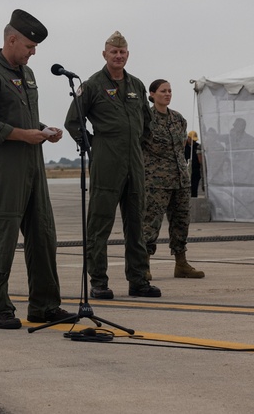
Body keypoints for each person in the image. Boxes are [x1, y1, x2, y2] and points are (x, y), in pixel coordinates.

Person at [0, 9, 67, 330]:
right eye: (29, 46)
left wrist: (43, 130)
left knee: (43, 235)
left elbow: (23, 118)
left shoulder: (27, 74)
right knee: (3, 237)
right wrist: (25, 135)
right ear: (11, 40)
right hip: (5, 167)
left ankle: (45, 305)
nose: (33, 52)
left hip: (33, 165)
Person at [64, 31, 160, 300]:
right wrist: (95, 145)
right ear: (104, 54)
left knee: (136, 224)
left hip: (134, 164)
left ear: (127, 55)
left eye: (123, 52)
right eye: (114, 52)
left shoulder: (137, 85)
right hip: (106, 163)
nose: (118, 56)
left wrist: (138, 145)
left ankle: (139, 280)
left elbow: (146, 122)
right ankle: (98, 281)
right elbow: (73, 121)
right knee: (99, 224)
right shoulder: (92, 85)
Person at [143, 79, 204, 278]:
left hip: (180, 179)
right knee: (150, 224)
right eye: (163, 91)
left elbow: (180, 150)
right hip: (155, 181)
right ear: (152, 94)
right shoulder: (145, 119)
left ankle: (181, 263)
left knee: (181, 222)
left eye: (170, 91)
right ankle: (143, 265)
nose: (167, 94)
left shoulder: (178, 119)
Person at [185, 130, 203, 198]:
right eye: (192, 140)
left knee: (194, 189)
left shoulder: (197, 146)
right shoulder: (183, 146)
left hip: (195, 171)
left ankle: (194, 200)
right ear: (188, 138)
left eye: (194, 140)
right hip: (186, 171)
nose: (194, 142)